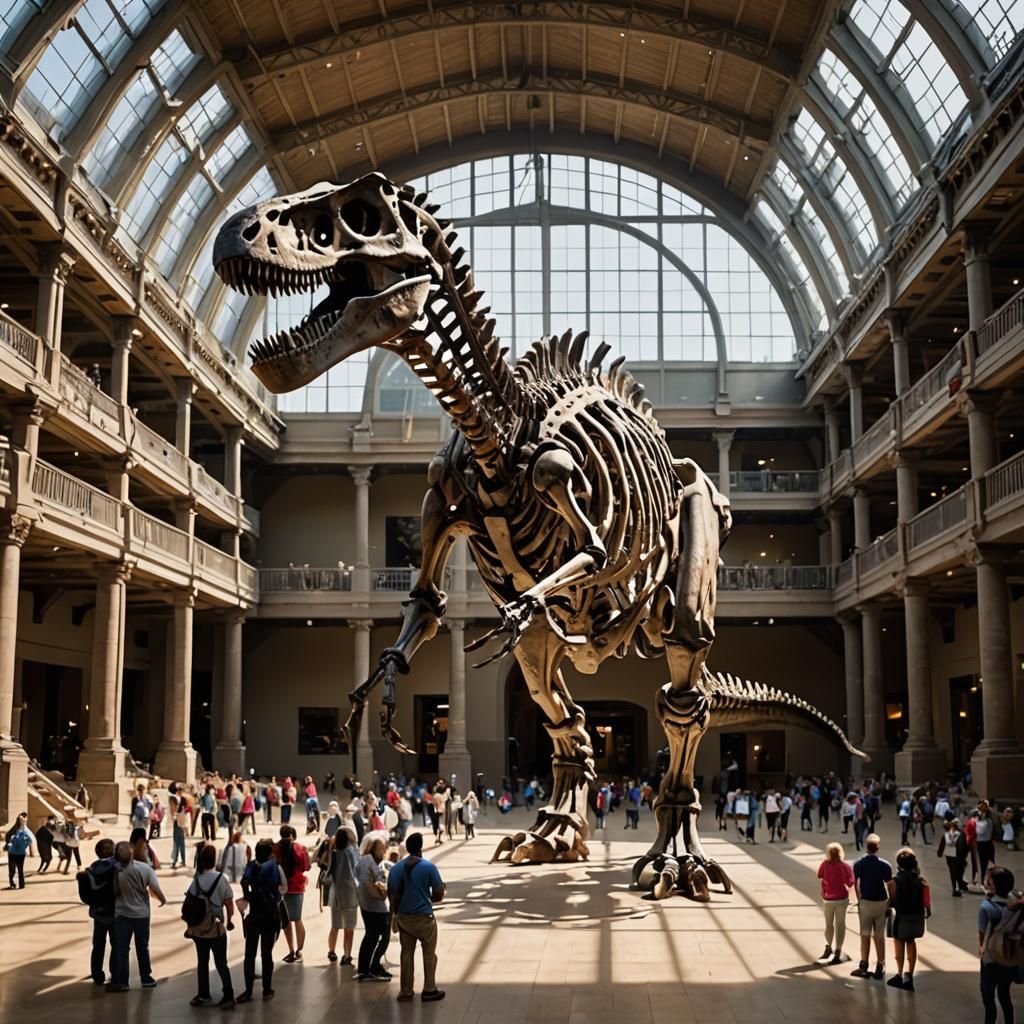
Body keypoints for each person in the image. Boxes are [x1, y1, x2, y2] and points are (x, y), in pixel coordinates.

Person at [389, 831, 446, 1002]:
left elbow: (392, 895)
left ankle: (406, 991)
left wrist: (397, 913)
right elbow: (439, 893)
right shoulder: (428, 867)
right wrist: (428, 898)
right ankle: (429, 989)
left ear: (407, 848)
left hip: (405, 918)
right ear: (420, 847)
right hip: (424, 918)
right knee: (429, 954)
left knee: (406, 953)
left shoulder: (396, 868)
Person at [108, 839, 165, 991]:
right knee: (142, 946)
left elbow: (114, 891)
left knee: (122, 949)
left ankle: (122, 981)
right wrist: (163, 899)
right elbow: (155, 888)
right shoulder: (145, 869)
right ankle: (146, 978)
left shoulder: (116, 870)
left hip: (122, 914)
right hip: (141, 915)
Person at [185, 842, 237, 1009]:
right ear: (215, 860)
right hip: (216, 928)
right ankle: (228, 995)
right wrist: (230, 920)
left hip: (199, 929)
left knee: (202, 962)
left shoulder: (196, 881)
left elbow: (189, 905)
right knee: (221, 962)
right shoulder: (222, 879)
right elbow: (229, 903)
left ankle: (203, 994)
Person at [238, 838, 287, 1002]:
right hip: (270, 915)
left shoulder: (251, 865)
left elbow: (244, 882)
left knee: (249, 954)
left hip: (254, 915)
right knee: (267, 954)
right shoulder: (275, 867)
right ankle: (267, 989)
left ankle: (248, 991)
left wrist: (249, 897)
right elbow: (283, 888)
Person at [850, 834, 894, 980]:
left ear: (866, 845)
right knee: (879, 935)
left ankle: (864, 965)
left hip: (866, 902)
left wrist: (859, 898)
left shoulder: (859, 864)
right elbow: (891, 885)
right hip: (881, 902)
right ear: (878, 846)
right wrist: (890, 902)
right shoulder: (884, 865)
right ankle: (880, 965)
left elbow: (855, 883)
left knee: (865, 934)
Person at [887, 847, 930, 991]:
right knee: (911, 942)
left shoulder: (894, 881)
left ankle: (899, 974)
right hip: (917, 917)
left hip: (901, 917)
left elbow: (891, 899)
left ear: (898, 864)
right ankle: (909, 976)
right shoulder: (921, 881)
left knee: (899, 945)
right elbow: (926, 901)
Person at [978, 865, 1017, 1024]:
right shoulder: (1016, 904)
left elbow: (981, 935)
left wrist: (981, 950)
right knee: (1004, 994)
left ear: (993, 885)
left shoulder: (986, 908)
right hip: (1009, 956)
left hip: (990, 959)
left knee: (988, 998)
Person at [356, 835, 391, 981]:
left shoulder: (364, 860)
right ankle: (374, 966)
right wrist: (383, 892)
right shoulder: (371, 863)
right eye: (382, 849)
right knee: (384, 937)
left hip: (365, 905)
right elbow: (373, 885)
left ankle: (364, 968)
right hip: (376, 907)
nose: (384, 852)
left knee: (370, 936)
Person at [83, 838, 118, 985]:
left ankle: (97, 974)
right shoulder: (116, 867)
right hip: (115, 913)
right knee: (116, 945)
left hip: (98, 913)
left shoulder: (92, 868)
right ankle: (115, 974)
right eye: (111, 847)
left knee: (98, 945)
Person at [325, 827, 359, 965]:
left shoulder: (333, 852)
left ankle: (332, 951)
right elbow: (355, 870)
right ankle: (347, 955)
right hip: (349, 893)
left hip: (336, 893)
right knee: (349, 929)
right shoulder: (350, 852)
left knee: (335, 926)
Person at [816, 841, 854, 965]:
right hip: (842, 899)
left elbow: (819, 875)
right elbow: (850, 883)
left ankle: (828, 947)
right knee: (840, 924)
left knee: (829, 925)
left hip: (827, 899)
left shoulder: (825, 864)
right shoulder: (845, 866)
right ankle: (838, 950)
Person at [277, 825, 310, 962]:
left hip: (281, 888)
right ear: (292, 834)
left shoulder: (276, 848)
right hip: (297, 887)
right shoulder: (301, 848)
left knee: (286, 921)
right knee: (297, 919)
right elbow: (306, 867)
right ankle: (299, 951)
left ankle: (290, 950)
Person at [937, 818, 968, 896]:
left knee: (954, 872)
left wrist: (939, 853)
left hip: (952, 856)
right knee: (958, 872)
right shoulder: (961, 834)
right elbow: (966, 846)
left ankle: (956, 887)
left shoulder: (947, 835)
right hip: (958, 856)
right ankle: (957, 887)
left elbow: (942, 845)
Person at [5, 812, 34, 888]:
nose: (22, 821)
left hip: (21, 853)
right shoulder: (15, 829)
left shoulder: (27, 831)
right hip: (12, 852)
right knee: (12, 870)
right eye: (21, 819)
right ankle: (12, 883)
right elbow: (8, 836)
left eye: (24, 819)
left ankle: (21, 885)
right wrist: (9, 842)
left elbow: (31, 840)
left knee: (20, 869)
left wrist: (25, 846)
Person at [977, 800, 998, 880]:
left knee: (984, 864)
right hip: (989, 844)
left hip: (983, 844)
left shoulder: (987, 821)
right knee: (990, 863)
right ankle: (990, 879)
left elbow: (980, 831)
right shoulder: (990, 820)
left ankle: (986, 880)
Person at [171, 795, 189, 869]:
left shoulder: (179, 809)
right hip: (181, 829)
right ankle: (183, 861)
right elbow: (185, 821)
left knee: (176, 845)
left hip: (177, 828)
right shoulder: (185, 809)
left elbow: (175, 818)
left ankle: (174, 861)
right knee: (182, 846)